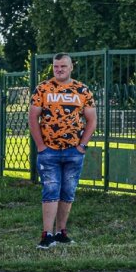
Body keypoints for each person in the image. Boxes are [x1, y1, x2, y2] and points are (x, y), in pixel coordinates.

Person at [29, 53, 97, 249]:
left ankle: (61, 232)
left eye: (63, 66)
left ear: (71, 68)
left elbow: (91, 120)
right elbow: (33, 118)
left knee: (68, 191)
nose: (59, 70)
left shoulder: (82, 90)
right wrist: (40, 145)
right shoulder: (43, 88)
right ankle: (46, 234)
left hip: (73, 151)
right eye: (56, 66)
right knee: (50, 190)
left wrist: (82, 145)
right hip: (48, 150)